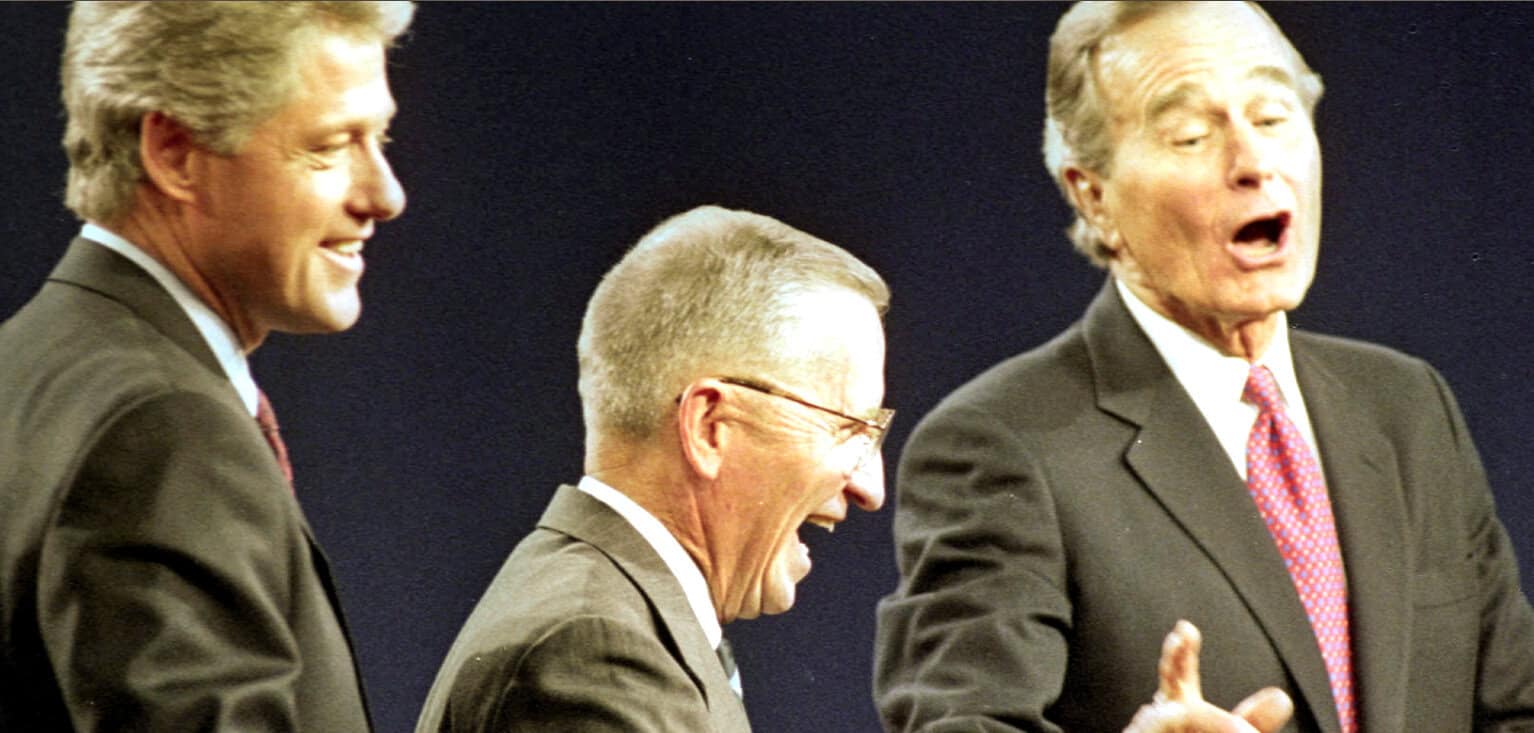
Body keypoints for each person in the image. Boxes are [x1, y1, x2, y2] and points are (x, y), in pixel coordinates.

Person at [874, 2, 1534, 732]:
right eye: (1191, 134)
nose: (1253, 163)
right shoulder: (1001, 444)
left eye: (1275, 116)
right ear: (1092, 196)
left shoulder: (1408, 405)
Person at [0, 2, 412, 729]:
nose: (383, 195)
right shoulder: (163, 428)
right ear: (175, 152)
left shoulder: (32, 364)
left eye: (379, 138)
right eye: (329, 145)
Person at [416, 205, 891, 732]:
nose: (870, 487)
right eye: (849, 428)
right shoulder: (595, 655)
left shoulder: (622, 621)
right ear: (710, 426)